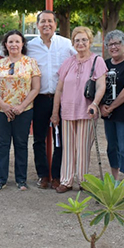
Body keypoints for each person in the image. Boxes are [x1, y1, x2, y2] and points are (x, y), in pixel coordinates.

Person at [51, 27, 107, 193]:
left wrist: (95, 103)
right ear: (73, 43)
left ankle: (83, 181)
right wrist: (55, 112)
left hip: (86, 111)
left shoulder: (97, 61)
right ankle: (66, 180)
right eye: (77, 40)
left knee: (83, 148)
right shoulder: (68, 62)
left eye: (84, 40)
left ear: (89, 41)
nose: (80, 43)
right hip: (67, 111)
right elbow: (59, 89)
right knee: (67, 148)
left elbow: (101, 86)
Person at [26, 10, 76, 189]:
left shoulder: (66, 44)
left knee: (60, 139)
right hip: (38, 98)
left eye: (50, 21)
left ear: (55, 24)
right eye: (42, 22)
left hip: (61, 98)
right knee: (38, 138)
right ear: (37, 25)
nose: (46, 25)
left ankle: (57, 175)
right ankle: (42, 175)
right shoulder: (30, 46)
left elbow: (80, 60)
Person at [0, 30, 41, 191]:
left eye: (17, 41)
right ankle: (1, 179)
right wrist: (3, 105)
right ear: (5, 45)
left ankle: (21, 180)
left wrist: (21, 106)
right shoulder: (0, 63)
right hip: (1, 110)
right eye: (10, 42)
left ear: (23, 44)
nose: (14, 45)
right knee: (2, 145)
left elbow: (36, 88)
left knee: (21, 144)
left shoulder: (31, 62)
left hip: (23, 110)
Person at [99, 30, 124, 182]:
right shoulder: (105, 64)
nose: (113, 47)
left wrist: (111, 107)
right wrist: (102, 106)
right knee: (112, 148)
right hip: (108, 114)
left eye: (117, 43)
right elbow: (99, 86)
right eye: (110, 44)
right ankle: (115, 180)